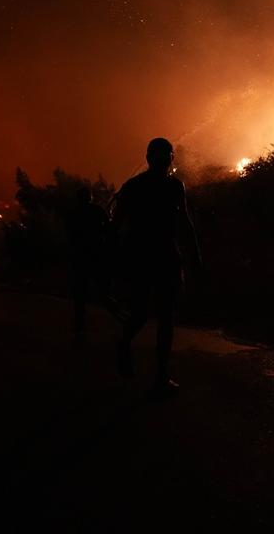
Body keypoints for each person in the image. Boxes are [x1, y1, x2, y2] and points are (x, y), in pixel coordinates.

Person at [111, 138, 201, 393]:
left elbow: (116, 226)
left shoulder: (133, 186)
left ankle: (133, 350)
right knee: (164, 318)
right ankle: (160, 376)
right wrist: (195, 257)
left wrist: (115, 260)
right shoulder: (173, 186)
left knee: (144, 314)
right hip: (161, 256)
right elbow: (185, 224)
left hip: (142, 257)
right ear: (169, 159)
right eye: (166, 155)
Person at [64, 186, 110, 341]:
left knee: (80, 291)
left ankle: (80, 324)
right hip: (96, 254)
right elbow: (109, 228)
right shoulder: (98, 210)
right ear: (90, 197)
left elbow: (69, 234)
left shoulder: (73, 213)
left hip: (79, 256)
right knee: (103, 288)